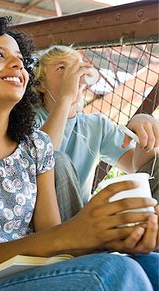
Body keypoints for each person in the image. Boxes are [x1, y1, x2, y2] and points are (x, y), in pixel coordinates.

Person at [0, 16, 159, 291]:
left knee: (150, 265)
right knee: (112, 273)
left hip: (26, 275)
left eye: (20, 60)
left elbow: (52, 239)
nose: (17, 65)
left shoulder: (36, 145)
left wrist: (114, 235)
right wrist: (76, 230)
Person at [33, 45, 159, 220]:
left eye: (77, 68)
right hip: (45, 221)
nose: (73, 76)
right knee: (58, 161)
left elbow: (135, 165)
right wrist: (66, 97)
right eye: (62, 68)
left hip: (82, 219)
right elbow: (41, 158)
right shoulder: (30, 119)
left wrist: (145, 128)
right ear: (41, 85)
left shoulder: (96, 125)